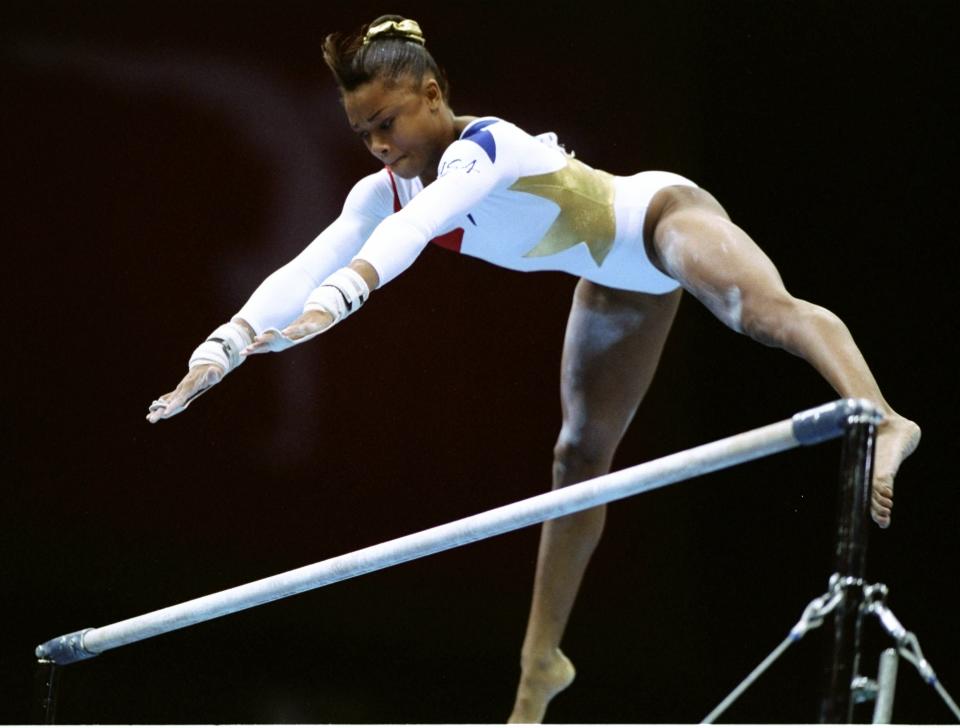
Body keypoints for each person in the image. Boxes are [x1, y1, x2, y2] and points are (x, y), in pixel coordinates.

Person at [147, 15, 921, 723]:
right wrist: (226, 345)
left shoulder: (487, 149)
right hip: (615, 280)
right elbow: (307, 262)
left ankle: (884, 414)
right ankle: (538, 668)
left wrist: (339, 303)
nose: (380, 146)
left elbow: (414, 233)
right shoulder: (380, 191)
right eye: (363, 135)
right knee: (578, 455)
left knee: (762, 315)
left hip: (655, 220)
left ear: (432, 92)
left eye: (386, 123)